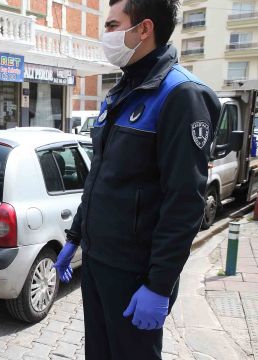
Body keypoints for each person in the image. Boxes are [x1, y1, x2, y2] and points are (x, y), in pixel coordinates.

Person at [52, 1, 221, 358]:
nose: (106, 35)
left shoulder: (181, 95)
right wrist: (75, 238)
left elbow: (185, 201)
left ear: (144, 29)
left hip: (134, 274)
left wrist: (159, 285)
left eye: (113, 25)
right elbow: (100, 178)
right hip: (98, 262)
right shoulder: (122, 92)